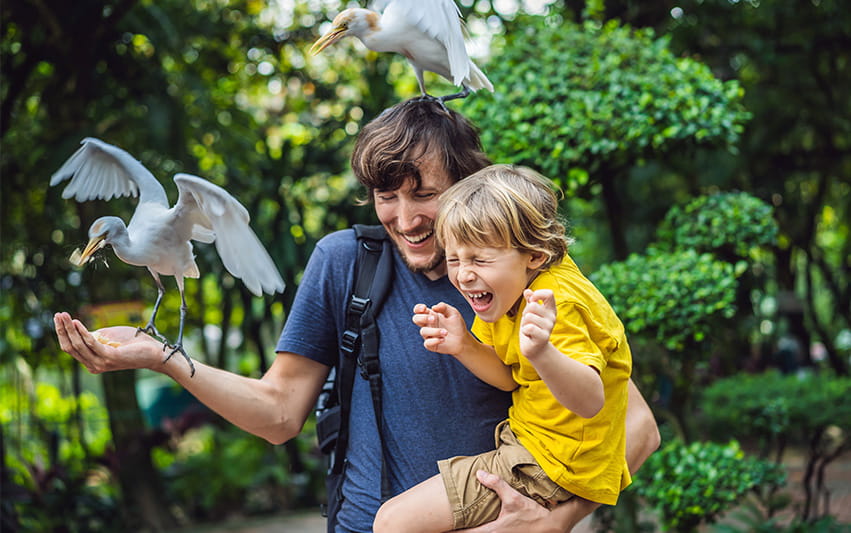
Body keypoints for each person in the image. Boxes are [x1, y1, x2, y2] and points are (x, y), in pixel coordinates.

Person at [53, 98, 660, 533]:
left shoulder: (518, 276)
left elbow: (635, 426)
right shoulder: (346, 262)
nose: (405, 217)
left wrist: (553, 519)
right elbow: (279, 414)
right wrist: (165, 358)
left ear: (471, 185)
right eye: (386, 195)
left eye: (425, 193)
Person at [373, 164, 632, 532]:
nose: (463, 274)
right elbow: (510, 378)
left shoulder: (556, 303)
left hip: (553, 464)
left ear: (535, 256)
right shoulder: (507, 293)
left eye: (479, 259)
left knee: (393, 523)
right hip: (535, 449)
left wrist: (544, 353)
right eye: (454, 259)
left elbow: (590, 401)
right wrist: (463, 345)